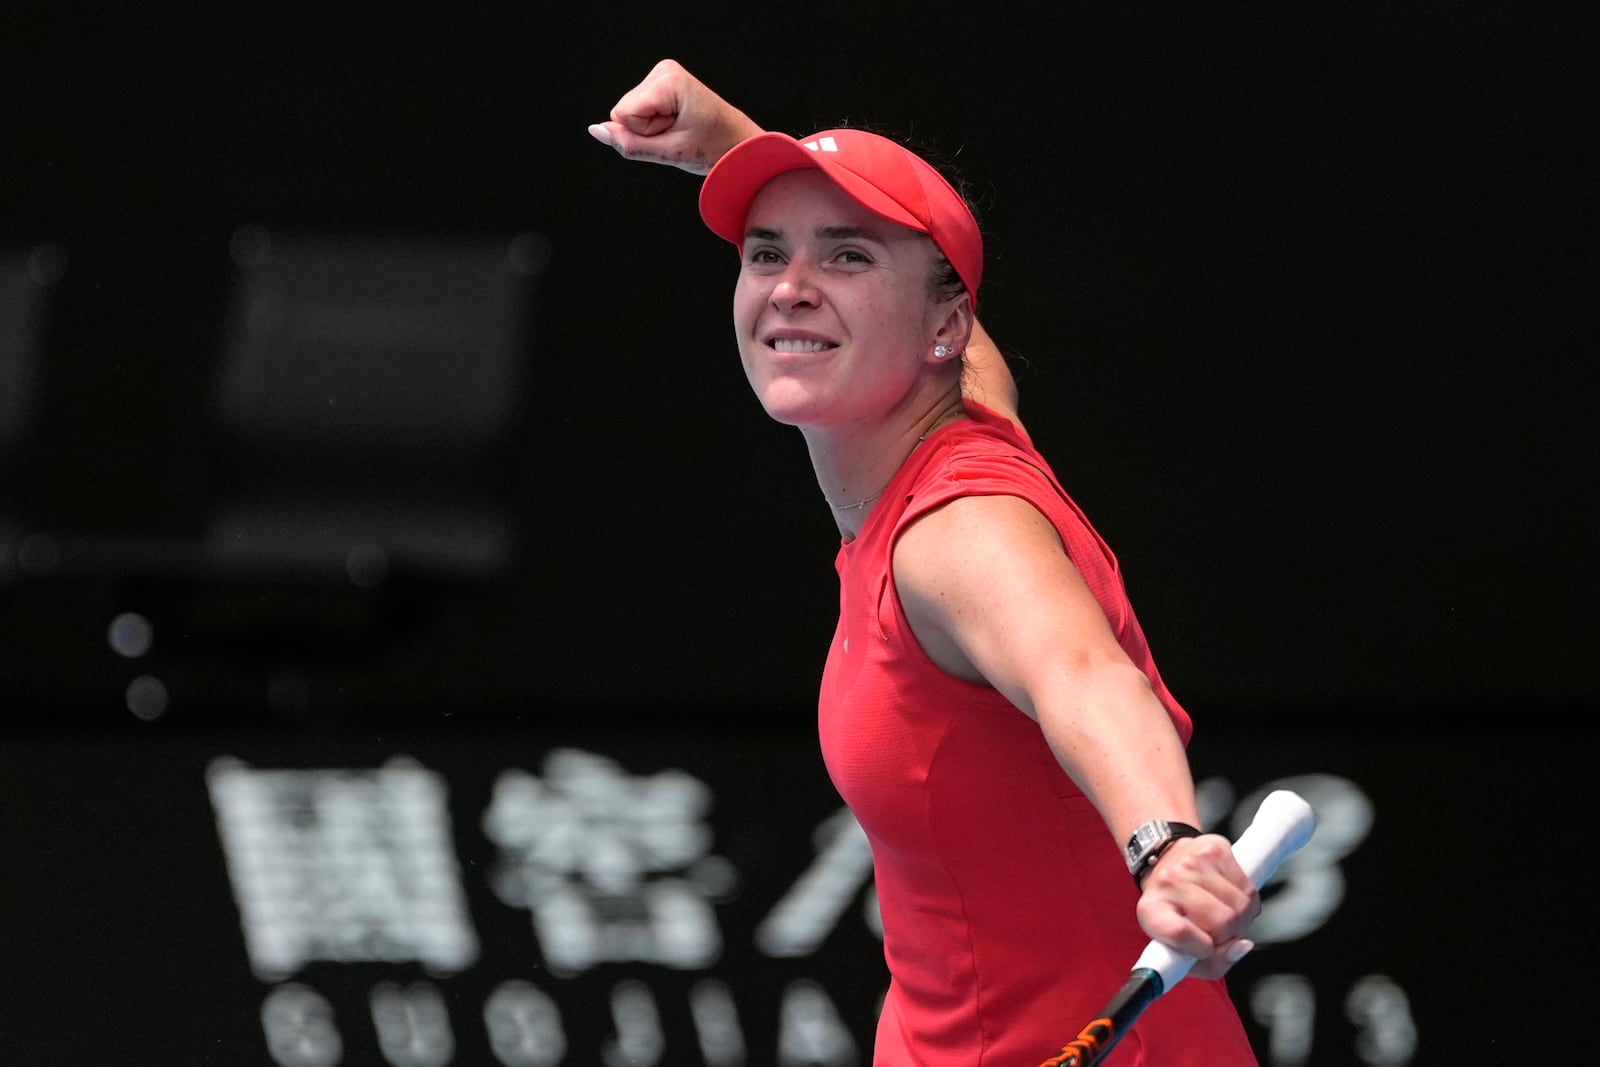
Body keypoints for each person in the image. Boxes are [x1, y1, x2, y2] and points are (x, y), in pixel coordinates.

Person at [591, 60, 1262, 1066]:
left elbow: (1083, 675)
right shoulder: (959, 407)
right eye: (764, 253)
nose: (790, 288)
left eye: (848, 258)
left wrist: (1165, 844)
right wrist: (725, 138)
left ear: (941, 325)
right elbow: (901, 311)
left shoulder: (961, 529)